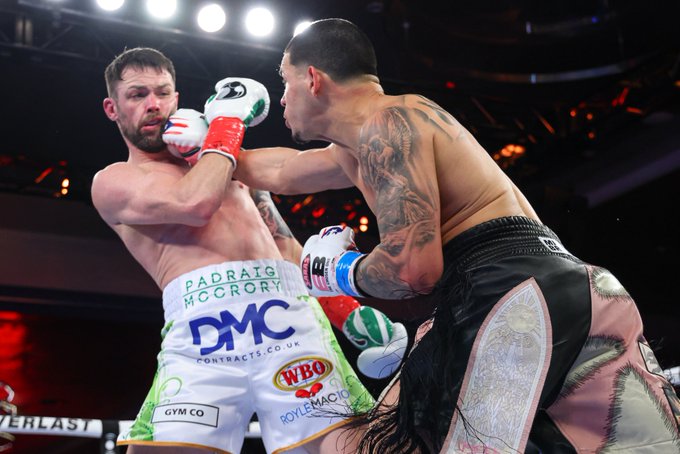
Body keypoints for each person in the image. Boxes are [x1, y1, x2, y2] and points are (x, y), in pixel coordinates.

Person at [232, 18, 680, 453]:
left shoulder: (387, 125)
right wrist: (218, 133)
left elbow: (413, 271)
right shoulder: (361, 145)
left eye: (285, 81)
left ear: (313, 79)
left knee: (382, 446)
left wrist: (337, 270)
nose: (282, 97)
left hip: (509, 296)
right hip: (579, 288)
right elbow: (281, 170)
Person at [91, 46, 407, 454]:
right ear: (112, 108)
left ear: (176, 97)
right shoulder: (114, 181)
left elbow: (283, 246)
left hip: (288, 320)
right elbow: (195, 203)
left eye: (162, 93)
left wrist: (348, 313)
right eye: (137, 95)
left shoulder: (225, 162)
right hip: (203, 336)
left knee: (352, 449)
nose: (153, 104)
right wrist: (226, 124)